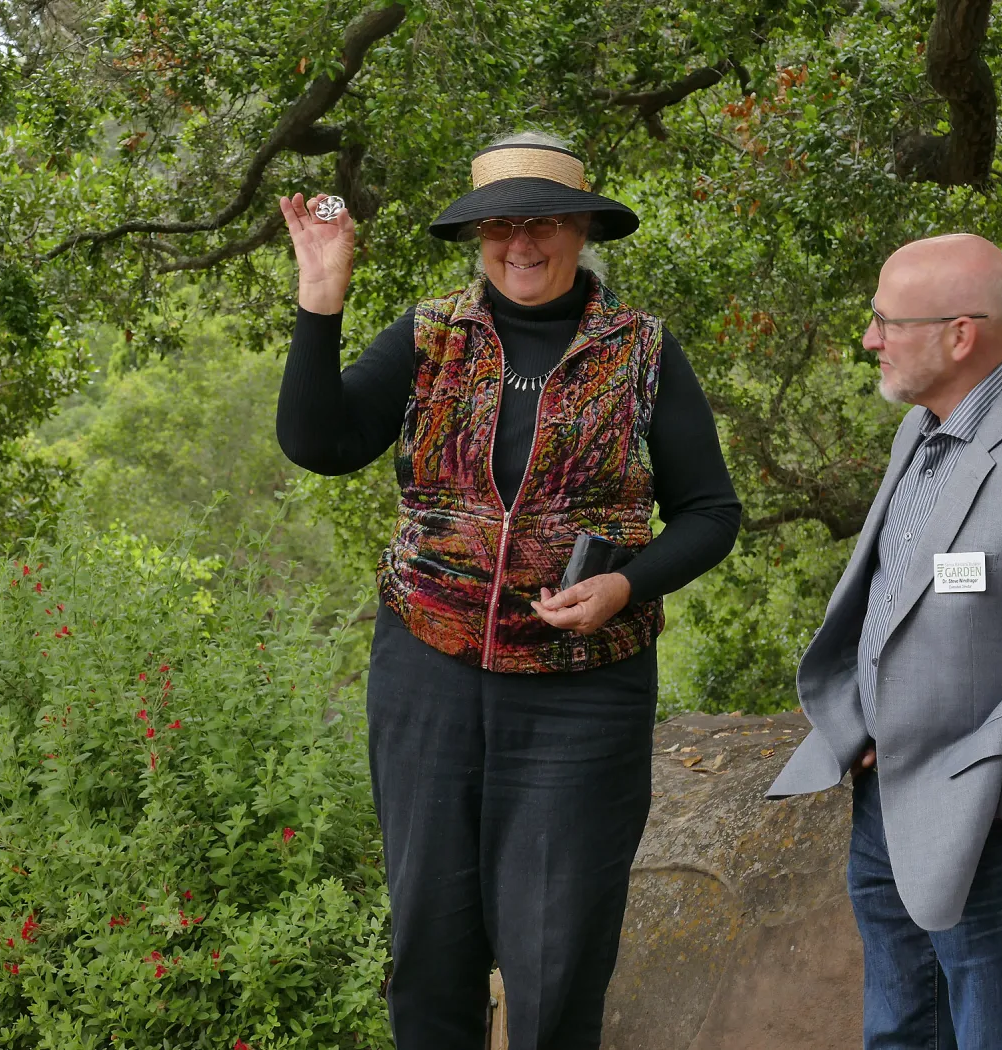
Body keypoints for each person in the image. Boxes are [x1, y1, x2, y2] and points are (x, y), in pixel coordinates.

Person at [276, 133, 740, 1050]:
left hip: (583, 694)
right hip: (426, 676)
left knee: (557, 955)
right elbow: (318, 444)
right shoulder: (429, 336)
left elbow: (710, 514)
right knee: (432, 943)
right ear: (478, 236)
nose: (521, 243)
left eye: (546, 221)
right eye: (501, 224)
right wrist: (320, 299)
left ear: (581, 230)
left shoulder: (642, 350)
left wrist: (625, 583)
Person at [765, 234, 1002, 1049]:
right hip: (882, 806)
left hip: (985, 831)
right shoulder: (921, 432)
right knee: (902, 1033)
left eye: (885, 321)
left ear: (959, 334)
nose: (869, 338)